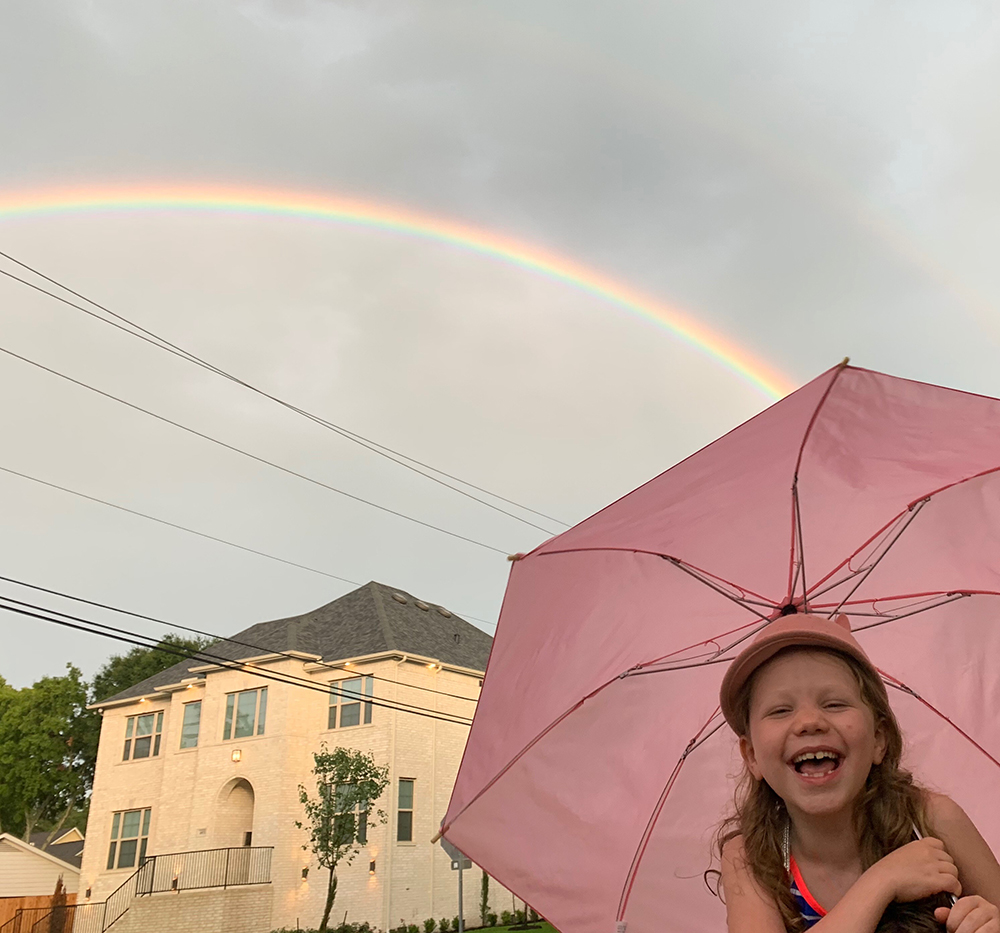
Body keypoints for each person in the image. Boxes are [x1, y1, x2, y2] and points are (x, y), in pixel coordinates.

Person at [713, 612, 1000, 933]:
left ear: (879, 739)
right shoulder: (751, 856)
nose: (809, 721)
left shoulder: (931, 820)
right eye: (781, 710)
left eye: (834, 704)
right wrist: (881, 882)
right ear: (752, 756)